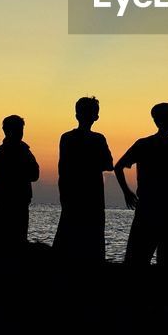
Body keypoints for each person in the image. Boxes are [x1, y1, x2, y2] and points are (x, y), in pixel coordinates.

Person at [115, 102, 168, 269]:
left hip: (150, 207)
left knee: (138, 258)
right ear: (161, 120)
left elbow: (119, 167)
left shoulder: (144, 144)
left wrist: (127, 192)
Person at [54, 96, 114, 265]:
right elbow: (108, 164)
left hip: (74, 195)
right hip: (91, 197)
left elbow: (63, 169)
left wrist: (63, 194)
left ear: (77, 115)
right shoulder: (98, 139)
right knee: (91, 241)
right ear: (96, 117)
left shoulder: (67, 138)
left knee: (68, 238)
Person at [0, 115, 40, 243]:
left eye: (21, 130)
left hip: (20, 201)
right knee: (4, 237)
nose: (20, 133)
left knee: (18, 237)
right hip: (7, 200)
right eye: (17, 130)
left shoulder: (25, 151)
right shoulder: (2, 152)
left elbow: (35, 174)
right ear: (7, 131)